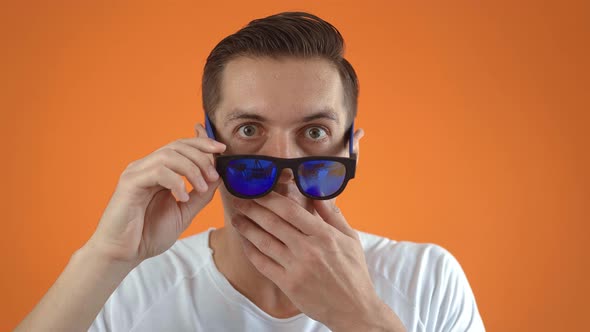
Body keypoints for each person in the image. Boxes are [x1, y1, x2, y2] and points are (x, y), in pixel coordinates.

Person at [15, 12, 485, 332]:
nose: (283, 169)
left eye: (315, 132)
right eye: (249, 128)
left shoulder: (427, 279)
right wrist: (107, 256)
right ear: (206, 144)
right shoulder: (128, 285)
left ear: (352, 152)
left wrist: (360, 316)